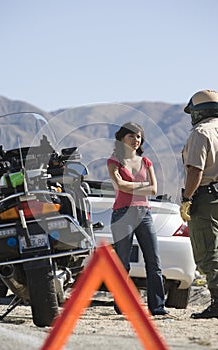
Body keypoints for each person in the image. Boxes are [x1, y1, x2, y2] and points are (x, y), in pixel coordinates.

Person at [107, 121, 168, 316]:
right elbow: (119, 185)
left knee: (154, 262)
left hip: (145, 214)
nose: (136, 140)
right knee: (122, 263)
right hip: (122, 214)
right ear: (122, 138)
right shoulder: (114, 160)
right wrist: (141, 187)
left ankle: (157, 307)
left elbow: (154, 189)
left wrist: (129, 185)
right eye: (131, 136)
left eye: (139, 136)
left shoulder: (146, 161)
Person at [180, 89, 218, 319]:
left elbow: (196, 169)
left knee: (207, 249)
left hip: (206, 197)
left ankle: (217, 303)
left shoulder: (201, 132)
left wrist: (187, 198)